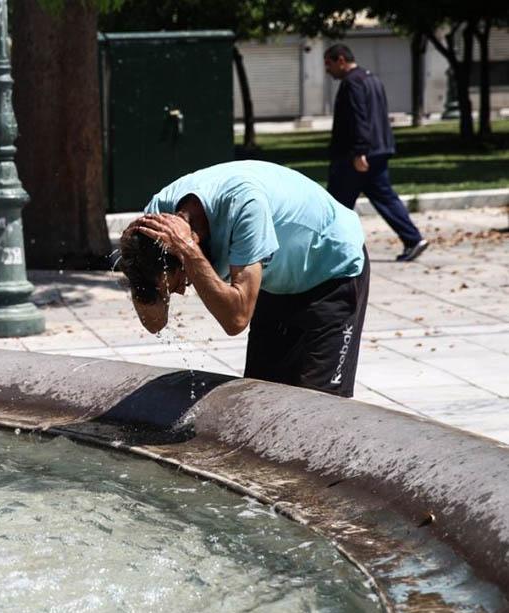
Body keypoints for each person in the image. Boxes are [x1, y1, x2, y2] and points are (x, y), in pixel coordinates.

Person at [118, 160, 369, 398]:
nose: (183, 291)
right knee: (261, 398)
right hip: (278, 279)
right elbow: (155, 324)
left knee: (318, 407)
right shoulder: (155, 222)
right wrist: (138, 277)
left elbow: (236, 319)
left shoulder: (245, 206)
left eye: (180, 281)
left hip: (332, 269)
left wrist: (188, 251)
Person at [324, 43, 429, 262]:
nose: (327, 69)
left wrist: (360, 151)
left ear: (341, 60)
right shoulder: (372, 78)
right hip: (379, 148)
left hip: (357, 155)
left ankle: (328, 252)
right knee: (384, 197)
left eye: (329, 63)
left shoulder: (352, 83)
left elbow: (359, 117)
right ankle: (412, 239)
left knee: (335, 204)